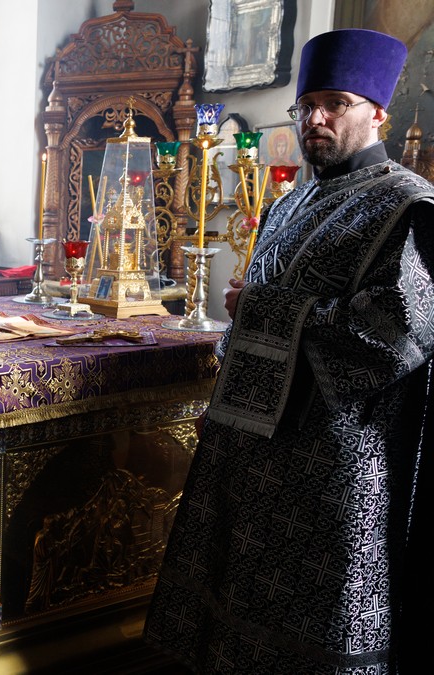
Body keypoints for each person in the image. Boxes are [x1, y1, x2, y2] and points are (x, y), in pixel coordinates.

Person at [144, 29, 434, 673]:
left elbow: (397, 334)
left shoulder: (408, 207)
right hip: (249, 448)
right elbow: (251, 312)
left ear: (378, 113)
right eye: (306, 106)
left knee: (315, 627)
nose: (315, 119)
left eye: (335, 104)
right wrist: (224, 387)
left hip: (332, 458)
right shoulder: (289, 202)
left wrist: (264, 307)